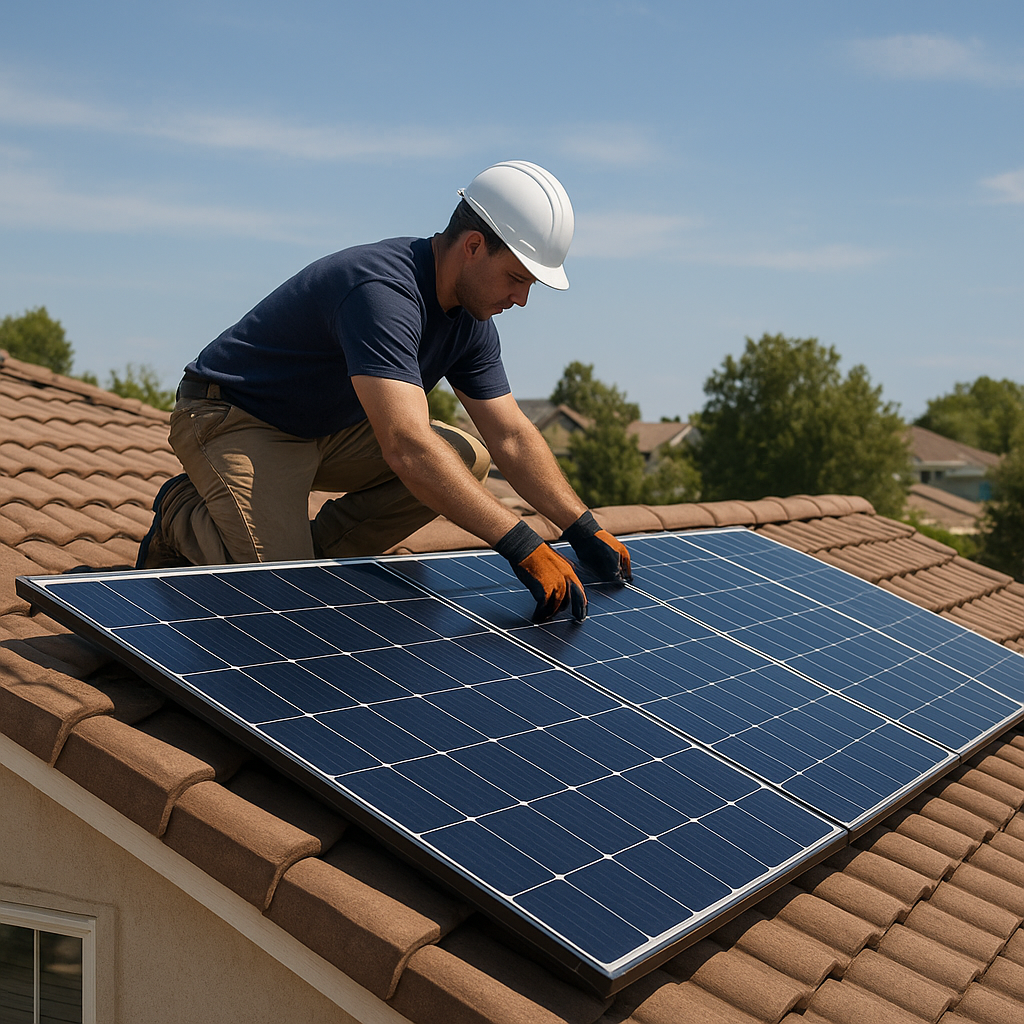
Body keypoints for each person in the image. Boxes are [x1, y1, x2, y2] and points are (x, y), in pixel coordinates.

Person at [137, 160, 631, 623]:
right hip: (236, 419)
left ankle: (307, 552)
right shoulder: (382, 291)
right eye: (516, 278)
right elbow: (407, 446)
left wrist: (580, 527)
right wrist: (522, 545)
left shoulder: (470, 322)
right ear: (474, 246)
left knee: (466, 455)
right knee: (279, 598)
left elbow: (513, 438)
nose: (521, 299)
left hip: (326, 429)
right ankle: (182, 515)